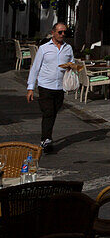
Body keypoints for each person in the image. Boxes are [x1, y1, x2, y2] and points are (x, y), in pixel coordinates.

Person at [26, 22, 74, 153]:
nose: (62, 34)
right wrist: (30, 88)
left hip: (60, 87)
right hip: (45, 86)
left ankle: (47, 137)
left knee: (53, 112)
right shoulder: (44, 48)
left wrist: (72, 67)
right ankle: (46, 140)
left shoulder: (68, 48)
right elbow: (35, 68)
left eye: (65, 32)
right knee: (48, 112)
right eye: (60, 32)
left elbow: (72, 63)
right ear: (53, 33)